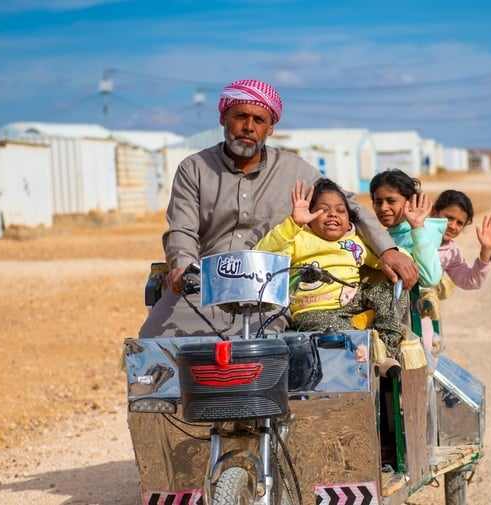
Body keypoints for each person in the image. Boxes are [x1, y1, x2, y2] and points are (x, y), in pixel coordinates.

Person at [138, 79, 418, 338]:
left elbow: (350, 205)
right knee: (154, 344)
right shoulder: (194, 168)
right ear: (223, 118)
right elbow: (182, 230)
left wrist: (387, 250)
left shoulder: (294, 170)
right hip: (205, 286)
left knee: (265, 355)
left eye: (259, 120)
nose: (249, 127)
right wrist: (182, 266)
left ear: (270, 128)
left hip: (268, 289)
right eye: (240, 116)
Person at [253, 179, 406, 374]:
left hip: (352, 301)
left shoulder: (354, 242)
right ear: (309, 215)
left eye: (340, 210)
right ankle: (365, 355)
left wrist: (405, 259)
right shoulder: (298, 238)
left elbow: (384, 261)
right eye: (323, 210)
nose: (333, 213)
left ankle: (384, 351)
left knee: (390, 290)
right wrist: (293, 223)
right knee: (336, 331)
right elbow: (262, 255)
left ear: (349, 219)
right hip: (314, 308)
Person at [369, 169, 445, 289]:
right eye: (378, 202)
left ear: (409, 202)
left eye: (391, 201)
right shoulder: (381, 236)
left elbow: (430, 279)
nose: (383, 208)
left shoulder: (424, 231)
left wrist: (417, 227)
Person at [430, 189, 491, 292]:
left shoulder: (451, 252)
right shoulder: (414, 232)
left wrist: (486, 250)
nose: (453, 226)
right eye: (449, 218)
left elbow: (470, 281)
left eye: (459, 223)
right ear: (434, 212)